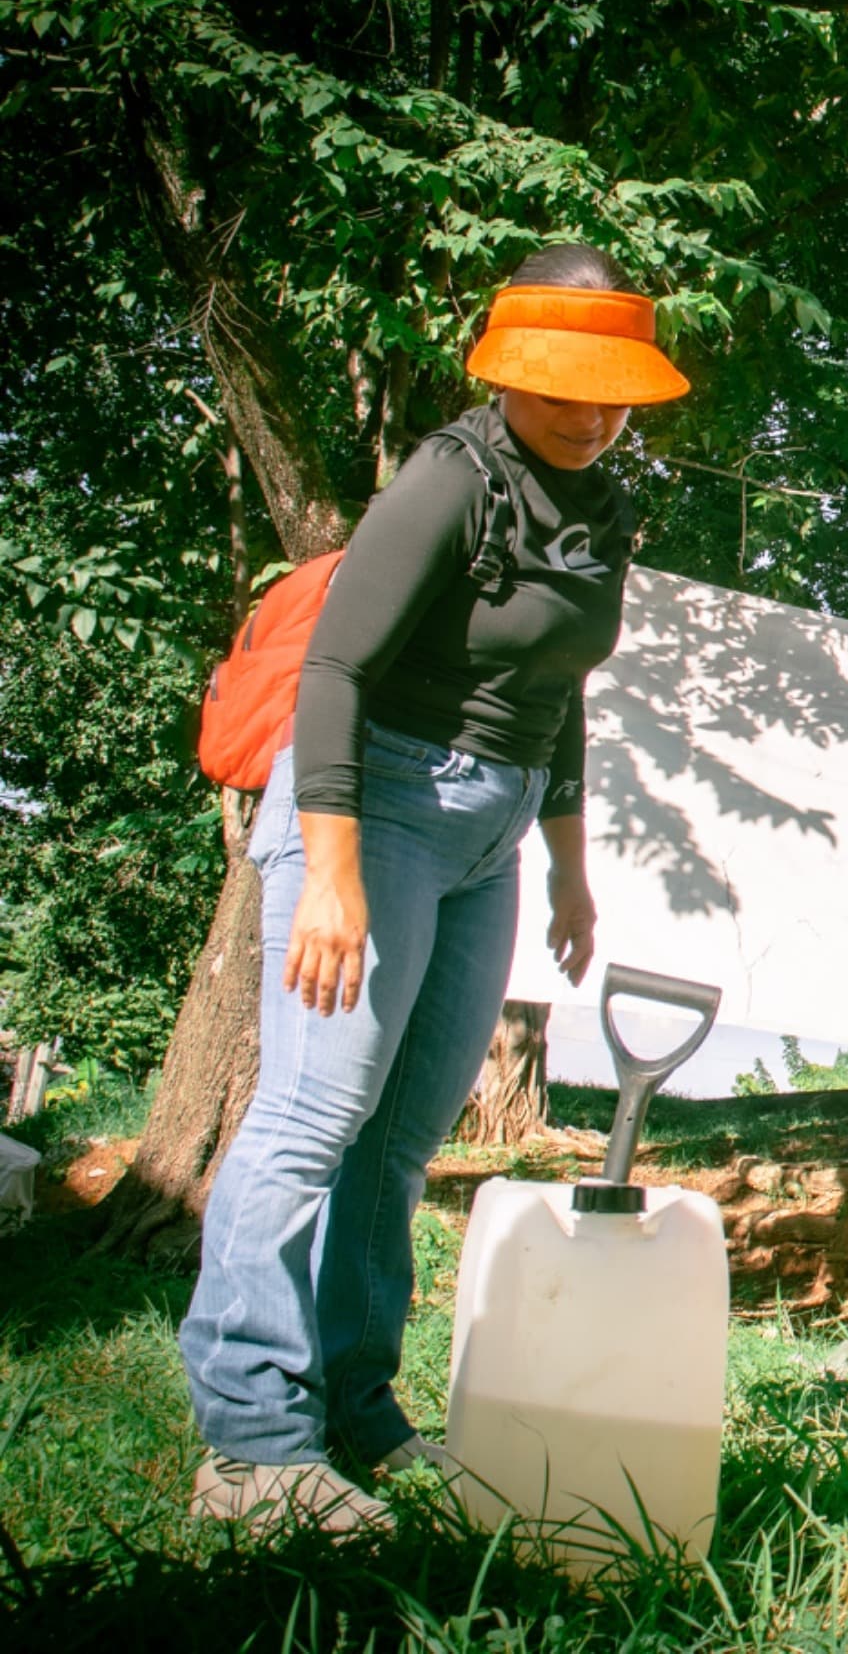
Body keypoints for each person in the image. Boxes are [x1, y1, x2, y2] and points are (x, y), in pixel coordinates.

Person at [180, 244, 690, 1530]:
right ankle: (247, 1444)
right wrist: (334, 872)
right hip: (376, 806)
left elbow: (556, 685)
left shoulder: (604, 503)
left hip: (492, 831)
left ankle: (359, 1409)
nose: (591, 413)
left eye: (611, 390)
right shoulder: (448, 480)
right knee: (311, 1118)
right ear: (511, 371)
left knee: (402, 1140)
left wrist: (568, 865)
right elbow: (336, 672)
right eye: (566, 387)